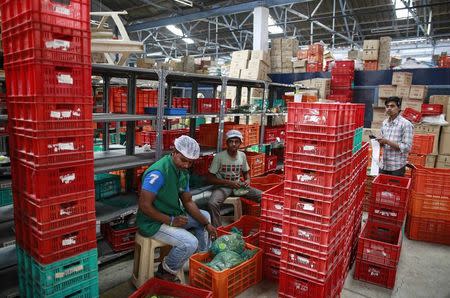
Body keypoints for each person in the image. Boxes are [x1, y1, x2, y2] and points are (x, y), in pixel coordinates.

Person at [136, 135, 217, 282]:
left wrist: (207, 224)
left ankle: (201, 260)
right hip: (153, 221)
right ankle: (166, 270)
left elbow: (187, 201)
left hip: (172, 214)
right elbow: (144, 206)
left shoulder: (182, 172)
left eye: (190, 162)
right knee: (190, 242)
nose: (186, 165)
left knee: (205, 216)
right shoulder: (158, 173)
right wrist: (171, 220)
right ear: (174, 152)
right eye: (183, 160)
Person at [206, 130, 262, 227]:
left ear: (240, 143)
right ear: (227, 143)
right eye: (231, 141)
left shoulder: (242, 155)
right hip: (223, 187)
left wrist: (248, 180)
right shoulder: (219, 157)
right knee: (212, 203)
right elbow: (210, 178)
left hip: (238, 186)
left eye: (236, 141)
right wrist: (228, 183)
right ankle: (218, 229)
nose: (234, 144)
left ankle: (262, 224)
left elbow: (246, 172)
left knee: (263, 197)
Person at [377, 97, 414, 177]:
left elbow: (407, 147)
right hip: (384, 165)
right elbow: (383, 142)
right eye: (387, 106)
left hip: (397, 167)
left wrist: (387, 142)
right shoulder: (385, 123)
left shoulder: (406, 124)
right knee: (381, 188)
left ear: (399, 108)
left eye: (392, 106)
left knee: (393, 189)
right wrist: (380, 143)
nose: (389, 108)